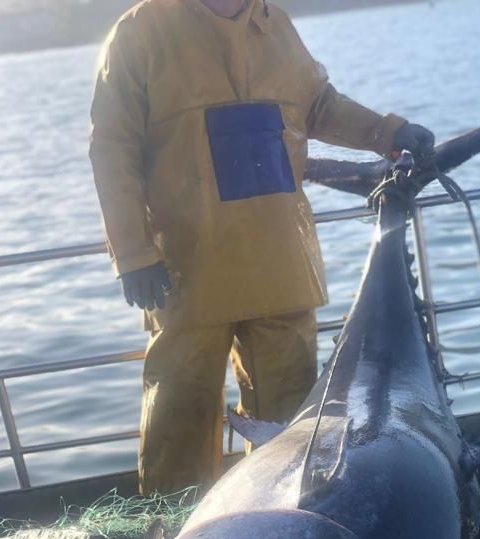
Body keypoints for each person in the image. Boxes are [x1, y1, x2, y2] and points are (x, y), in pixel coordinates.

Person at [89, 0, 434, 495]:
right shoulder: (139, 32)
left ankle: (280, 521)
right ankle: (171, 535)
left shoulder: (274, 24)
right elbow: (111, 148)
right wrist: (134, 253)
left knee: (292, 423)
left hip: (281, 265)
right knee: (178, 417)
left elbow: (317, 104)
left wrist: (387, 132)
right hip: (187, 269)